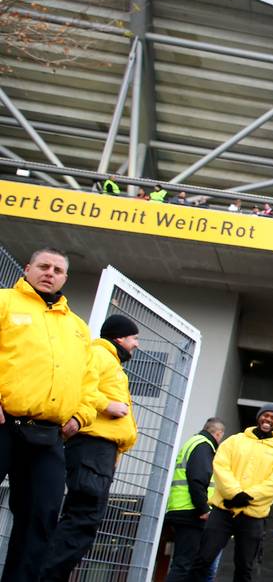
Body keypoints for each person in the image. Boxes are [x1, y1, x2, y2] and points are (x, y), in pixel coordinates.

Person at [0, 247, 98, 582]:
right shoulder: (4, 302)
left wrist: (80, 416)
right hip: (3, 426)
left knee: (40, 520)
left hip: (49, 437)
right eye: (43, 266)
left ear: (65, 278)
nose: (50, 273)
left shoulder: (77, 327)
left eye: (57, 269)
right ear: (27, 269)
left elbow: (90, 380)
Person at [42, 315, 141, 582]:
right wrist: (106, 405)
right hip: (92, 446)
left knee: (85, 517)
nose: (136, 344)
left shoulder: (110, 361)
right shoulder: (99, 355)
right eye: (134, 338)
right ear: (120, 337)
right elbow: (78, 384)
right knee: (84, 516)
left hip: (99, 450)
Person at [185, 404, 273, 582]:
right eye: (266, 415)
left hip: (253, 517)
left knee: (244, 568)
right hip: (223, 511)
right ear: (259, 417)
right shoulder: (234, 441)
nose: (268, 420)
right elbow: (220, 466)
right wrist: (234, 494)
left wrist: (247, 496)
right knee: (203, 559)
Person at [164, 418, 226, 582]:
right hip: (191, 512)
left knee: (185, 564)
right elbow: (197, 479)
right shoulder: (204, 445)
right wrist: (204, 509)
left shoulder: (193, 442)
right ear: (218, 433)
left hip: (182, 509)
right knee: (184, 566)